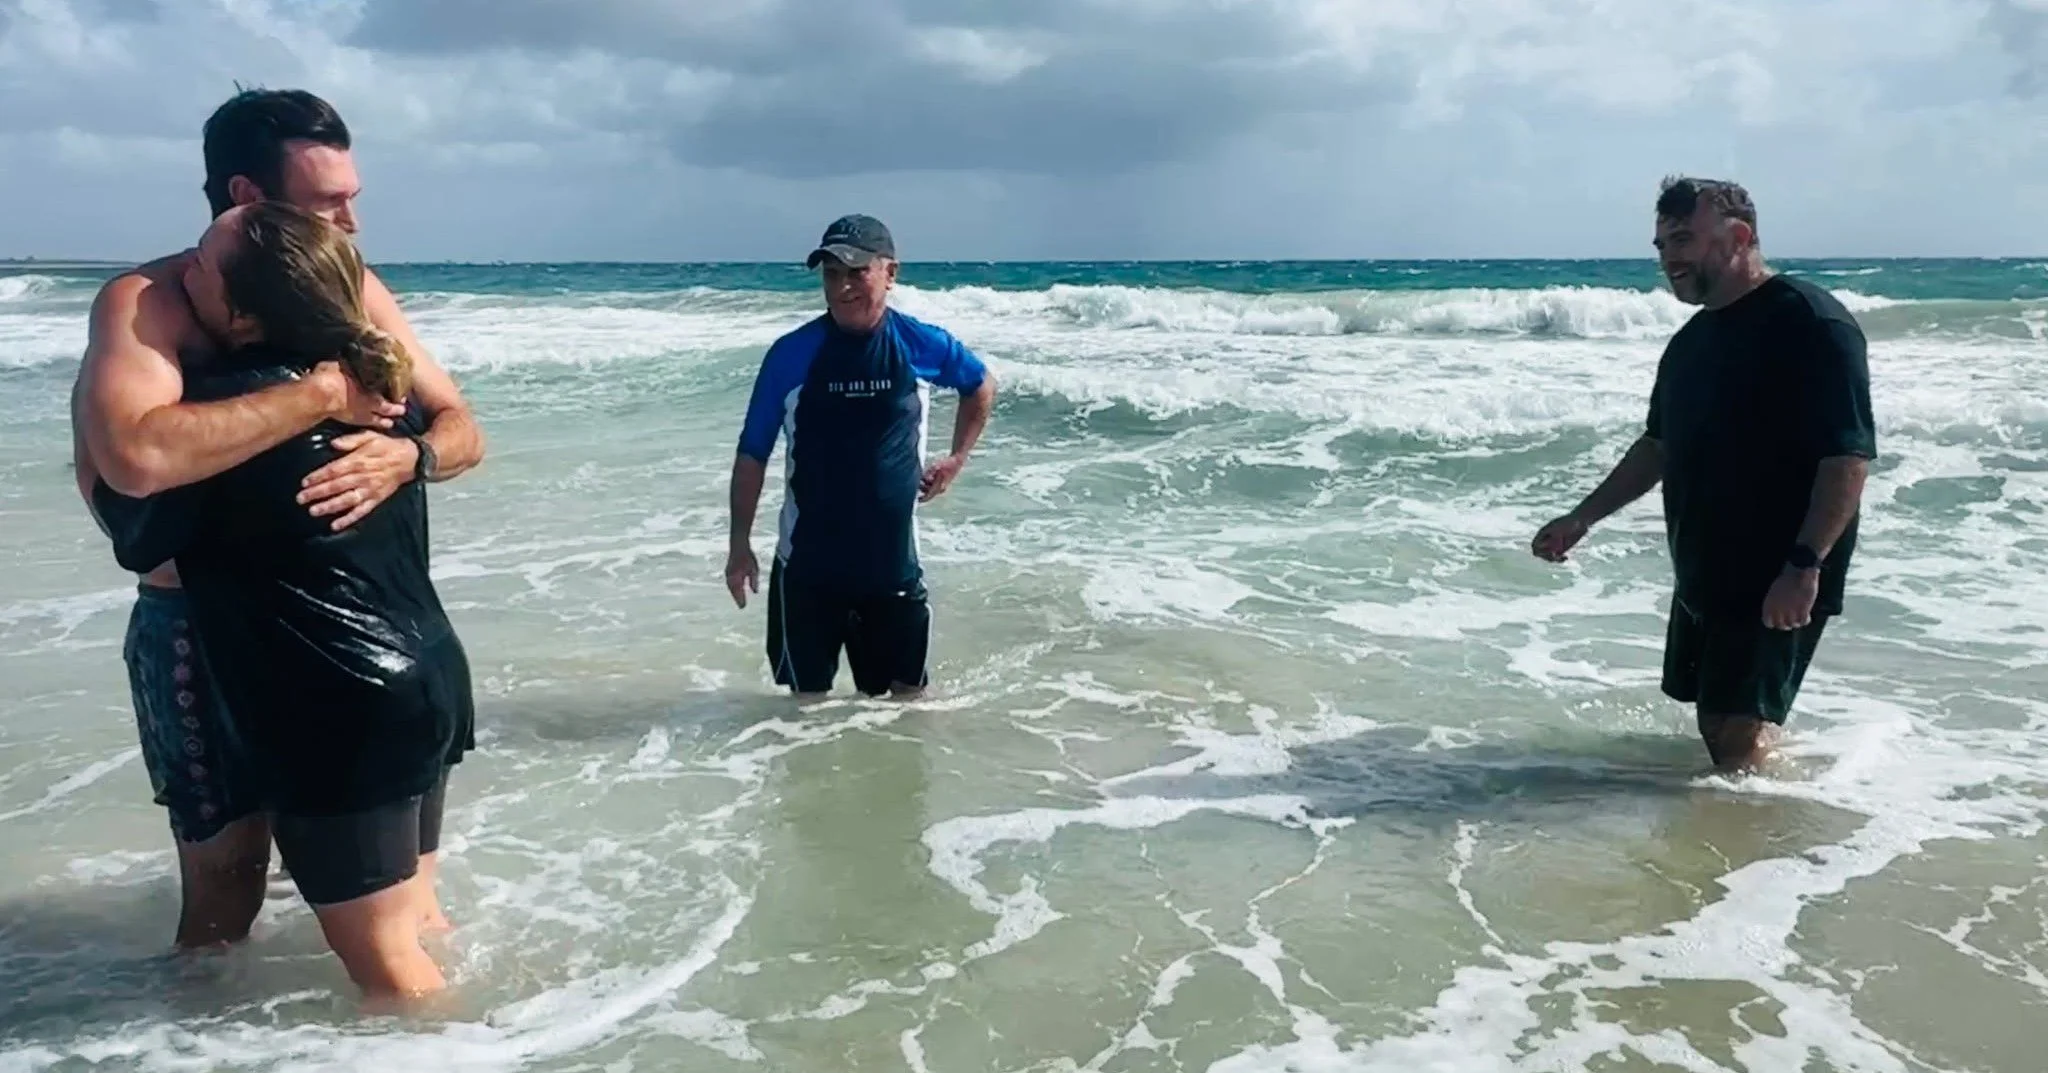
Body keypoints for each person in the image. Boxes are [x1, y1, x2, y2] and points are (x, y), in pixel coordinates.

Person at [68, 87, 483, 950]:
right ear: (248, 198)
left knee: (401, 900)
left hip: (346, 621)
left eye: (352, 198)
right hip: (199, 626)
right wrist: (323, 394)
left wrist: (414, 456)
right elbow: (137, 461)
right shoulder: (151, 302)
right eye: (330, 201)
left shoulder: (352, 286)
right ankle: (205, 1039)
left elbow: (460, 424)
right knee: (227, 886)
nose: (353, 221)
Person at [1530, 176, 1876, 772]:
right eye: (1661, 245)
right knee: (1716, 718)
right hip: (1706, 566)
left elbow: (1847, 456)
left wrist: (1804, 565)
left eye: (1684, 239)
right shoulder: (1690, 344)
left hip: (1777, 565)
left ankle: (1756, 843)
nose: (1669, 258)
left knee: (1729, 729)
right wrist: (1582, 517)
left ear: (1739, 236)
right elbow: (1659, 447)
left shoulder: (1811, 324)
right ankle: (1783, 796)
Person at [724, 214, 996, 699]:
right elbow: (752, 454)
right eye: (831, 273)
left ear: (890, 273)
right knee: (805, 713)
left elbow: (980, 385)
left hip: (891, 570)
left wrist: (957, 458)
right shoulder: (792, 354)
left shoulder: (919, 345)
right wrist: (739, 544)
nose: (842, 286)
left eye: (856, 272)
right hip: (807, 570)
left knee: (906, 706)